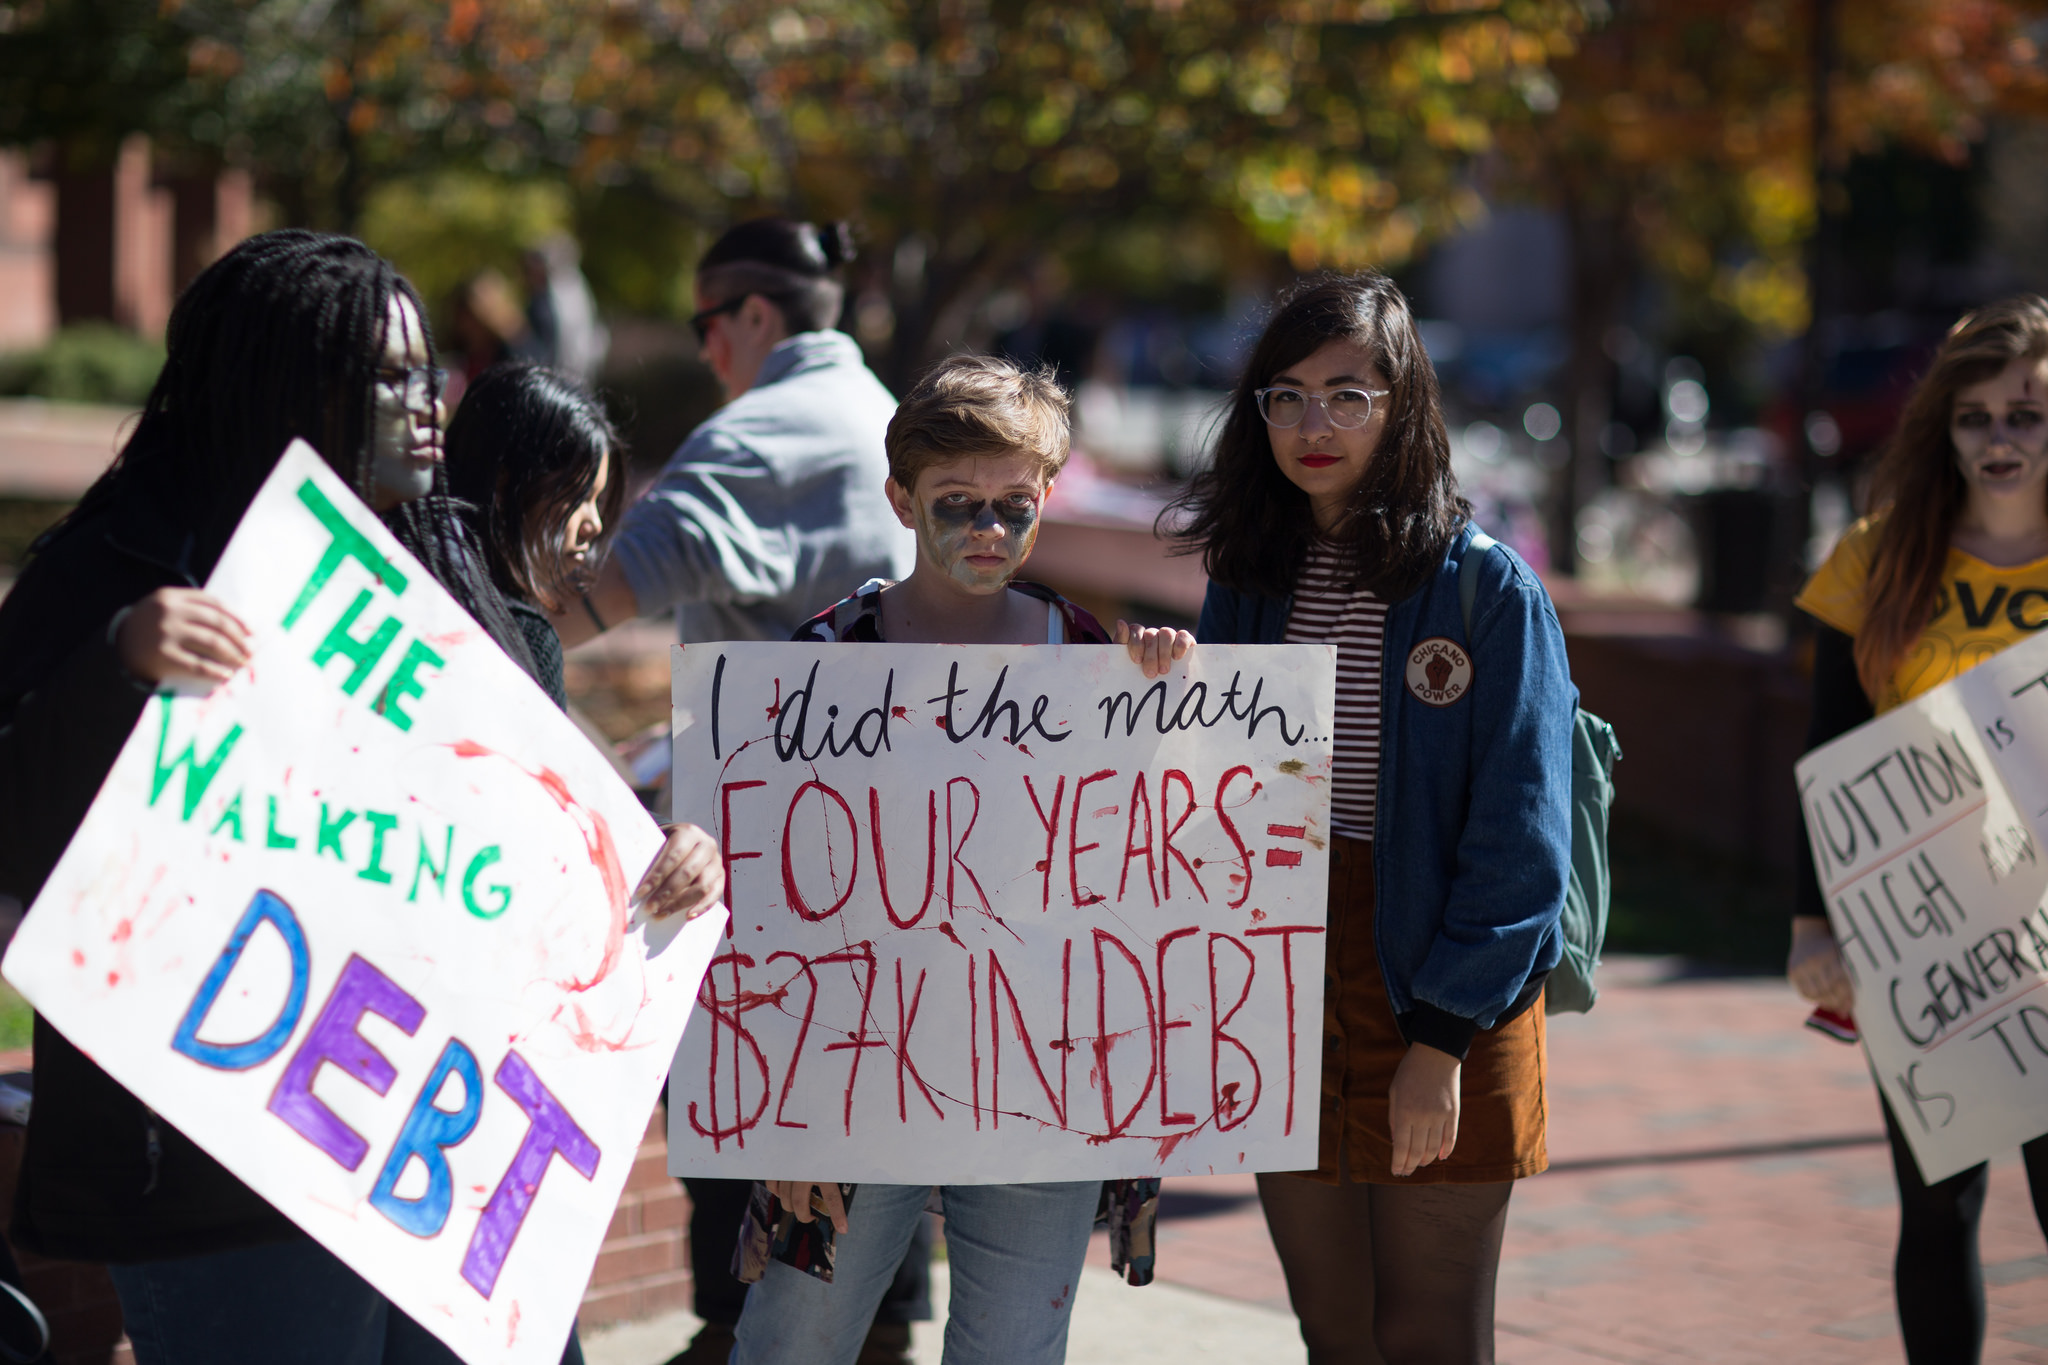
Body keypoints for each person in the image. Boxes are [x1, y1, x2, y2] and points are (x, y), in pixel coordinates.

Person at [0, 229, 722, 1365]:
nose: (429, 398)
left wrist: (654, 860)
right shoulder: (123, 567)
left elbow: (537, 820)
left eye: (424, 365)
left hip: (433, 1168)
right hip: (220, 1171)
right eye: (388, 376)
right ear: (282, 384)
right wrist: (117, 663)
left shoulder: (447, 583)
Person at [732, 353, 1188, 1365]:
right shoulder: (823, 662)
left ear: (1046, 500)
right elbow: (768, 898)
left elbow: (1135, 859)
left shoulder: (1088, 659)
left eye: (1011, 506)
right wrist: (784, 1118)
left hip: (1041, 1078)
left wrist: (1161, 715)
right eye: (956, 503)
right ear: (899, 498)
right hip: (844, 1083)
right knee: (788, 1345)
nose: (987, 531)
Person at [1169, 272, 1574, 1365]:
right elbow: (1216, 793)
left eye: (1346, 395)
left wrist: (1437, 1041)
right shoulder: (1248, 576)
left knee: (1429, 1339)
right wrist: (1161, 694)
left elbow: (1520, 841)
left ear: (1402, 404)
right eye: (1285, 396)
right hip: (1288, 990)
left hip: (1445, 987)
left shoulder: (1483, 588)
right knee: (1335, 1334)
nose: (1312, 425)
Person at [549, 216, 921, 1365]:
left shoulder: (753, 440)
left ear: (754, 315)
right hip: (908, 855)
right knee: (879, 1120)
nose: (708, 349)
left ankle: (746, 1334)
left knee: (752, 1137)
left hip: (766, 861)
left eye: (711, 324)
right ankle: (870, 1336)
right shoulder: (894, 423)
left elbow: (582, 605)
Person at [1788, 295, 2048, 1364]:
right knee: (1938, 1205)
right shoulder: (1878, 558)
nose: (1996, 440)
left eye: (2025, 416)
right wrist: (1812, 928)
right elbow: (1822, 753)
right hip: (1929, 940)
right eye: (1973, 417)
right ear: (1940, 428)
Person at [444, 363, 627, 711]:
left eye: (597, 501)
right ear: (504, 483)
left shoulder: (396, 565)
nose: (595, 524)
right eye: (578, 497)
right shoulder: (525, 642)